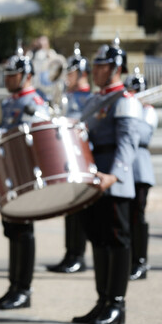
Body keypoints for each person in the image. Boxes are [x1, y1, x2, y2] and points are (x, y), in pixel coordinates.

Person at [0, 45, 49, 310]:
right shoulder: (8, 102)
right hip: (7, 170)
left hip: (24, 171)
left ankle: (23, 289)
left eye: (12, 74)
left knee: (23, 231)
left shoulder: (34, 102)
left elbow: (30, 133)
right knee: (13, 230)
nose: (7, 78)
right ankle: (13, 285)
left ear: (26, 75)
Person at [72, 38, 141, 324]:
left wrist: (114, 175)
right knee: (98, 239)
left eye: (100, 66)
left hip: (112, 180)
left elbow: (128, 142)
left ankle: (117, 304)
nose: (95, 70)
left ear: (115, 68)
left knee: (116, 240)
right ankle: (102, 301)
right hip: (94, 177)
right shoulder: (95, 99)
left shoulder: (124, 100)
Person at [47, 43, 92, 274]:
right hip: (66, 157)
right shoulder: (68, 95)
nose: (67, 77)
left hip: (80, 158)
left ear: (82, 74)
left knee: (79, 210)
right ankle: (70, 253)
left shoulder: (88, 98)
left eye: (71, 73)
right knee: (69, 210)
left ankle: (78, 255)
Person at [124, 67, 157, 280]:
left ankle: (141, 262)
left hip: (140, 170)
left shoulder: (148, 111)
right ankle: (128, 261)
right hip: (127, 169)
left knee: (139, 217)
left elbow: (143, 135)